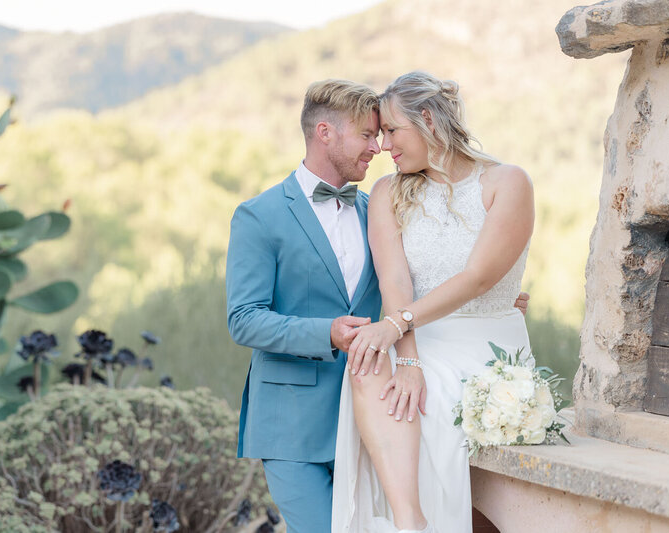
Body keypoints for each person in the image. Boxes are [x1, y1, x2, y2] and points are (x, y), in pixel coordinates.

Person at [227, 78, 529, 533]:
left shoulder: (382, 204)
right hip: (295, 421)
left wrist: (497, 298)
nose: (379, 147)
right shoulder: (260, 215)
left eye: (384, 133)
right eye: (368, 135)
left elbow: (413, 280)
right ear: (325, 132)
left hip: (380, 414)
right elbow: (243, 319)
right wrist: (327, 333)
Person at [331, 71, 535, 533]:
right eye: (379, 134)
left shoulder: (507, 182)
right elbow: (395, 279)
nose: (383, 145)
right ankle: (410, 521)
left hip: (487, 343)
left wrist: (398, 323)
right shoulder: (387, 192)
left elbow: (479, 277)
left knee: (417, 394)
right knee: (366, 359)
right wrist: (408, 359)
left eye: (391, 131)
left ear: (428, 120)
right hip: (419, 336)